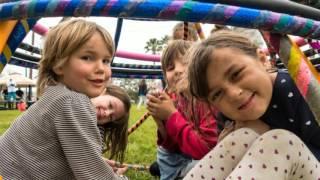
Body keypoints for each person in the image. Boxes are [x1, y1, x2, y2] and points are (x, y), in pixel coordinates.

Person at [0, 19, 128, 179]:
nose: (101, 68)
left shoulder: (56, 94)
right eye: (87, 57)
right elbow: (92, 176)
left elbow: (58, 155)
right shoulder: (72, 102)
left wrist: (96, 163)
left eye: (106, 60)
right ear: (58, 64)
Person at [184, 30, 320, 179]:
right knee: (241, 137)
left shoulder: (297, 90)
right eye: (217, 94)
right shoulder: (229, 118)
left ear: (262, 59)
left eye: (236, 74)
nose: (234, 94)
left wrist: (266, 132)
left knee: (279, 142)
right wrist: (226, 145)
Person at [147, 40, 218, 179]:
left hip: (207, 156)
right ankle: (177, 171)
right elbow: (172, 146)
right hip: (185, 152)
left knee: (200, 165)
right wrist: (162, 122)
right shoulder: (177, 99)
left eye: (185, 63)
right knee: (163, 152)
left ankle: (178, 172)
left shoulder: (206, 100)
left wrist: (172, 115)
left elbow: (206, 151)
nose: (178, 71)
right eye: (170, 67)